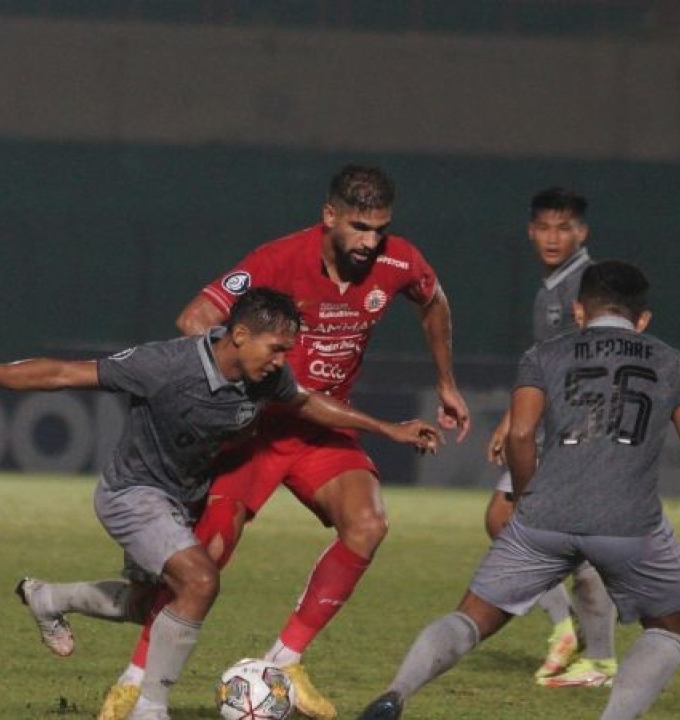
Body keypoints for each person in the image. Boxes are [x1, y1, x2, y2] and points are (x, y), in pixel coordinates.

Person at [0, 288, 444, 720]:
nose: (283, 360)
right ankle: (151, 707)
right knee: (201, 581)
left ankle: (48, 597)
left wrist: (386, 429)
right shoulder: (164, 365)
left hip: (180, 498)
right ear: (238, 334)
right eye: (276, 348)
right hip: (133, 494)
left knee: (153, 605)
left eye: (286, 350)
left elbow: (306, 403)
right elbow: (63, 373)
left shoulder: (268, 377)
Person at [96, 165, 472, 720]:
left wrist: (445, 381)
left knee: (367, 524)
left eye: (380, 229)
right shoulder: (276, 261)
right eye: (360, 227)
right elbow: (195, 318)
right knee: (204, 562)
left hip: (323, 429)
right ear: (329, 217)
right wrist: (233, 382)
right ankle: (136, 680)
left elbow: (434, 301)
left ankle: (285, 660)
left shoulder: (399, 262)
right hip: (256, 431)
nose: (371, 242)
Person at [355, 260, 680, 720]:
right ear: (642, 319)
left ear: (579, 311)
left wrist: (527, 504)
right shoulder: (671, 362)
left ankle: (395, 695)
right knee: (672, 625)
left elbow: (521, 434)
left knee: (471, 617)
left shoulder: (545, 354)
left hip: (542, 519)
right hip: (629, 526)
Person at [483, 187, 618, 687]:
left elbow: (595, 356)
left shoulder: (585, 283)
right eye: (544, 226)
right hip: (550, 423)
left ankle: (597, 656)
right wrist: (514, 419)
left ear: (582, 232)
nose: (553, 236)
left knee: (568, 538)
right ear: (530, 230)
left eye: (565, 228)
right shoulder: (556, 284)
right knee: (504, 518)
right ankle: (567, 628)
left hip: (575, 427)